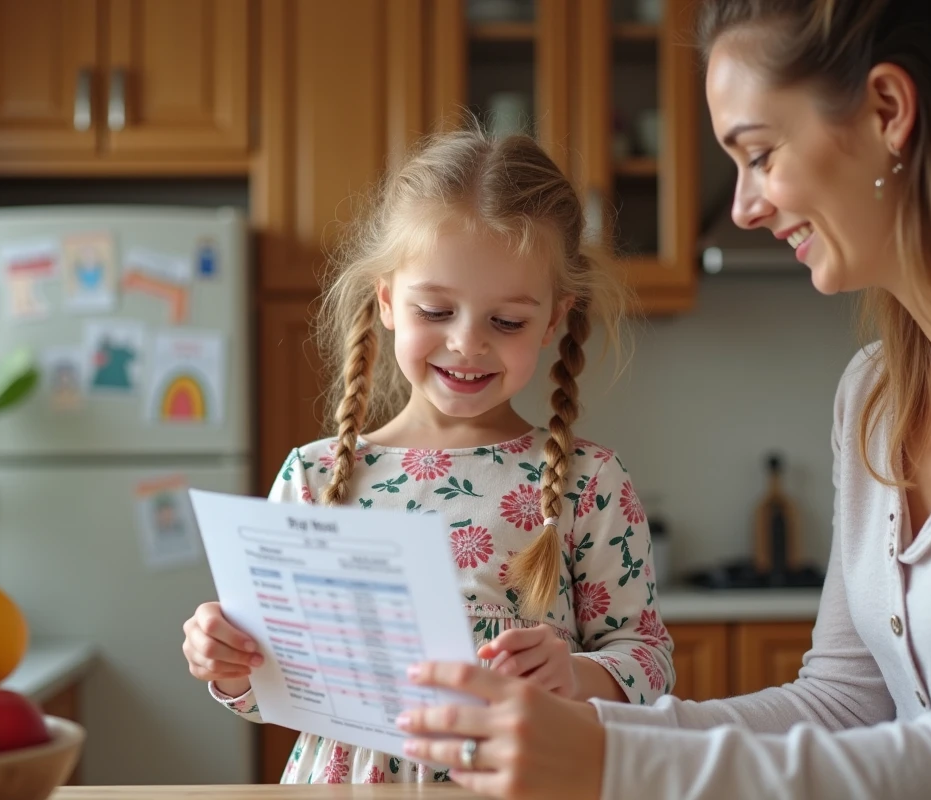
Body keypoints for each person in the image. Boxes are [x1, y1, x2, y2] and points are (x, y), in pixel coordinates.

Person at [394, 0, 931, 797]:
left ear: (888, 111)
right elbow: (843, 703)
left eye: (759, 154)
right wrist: (582, 731)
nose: (743, 207)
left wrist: (605, 760)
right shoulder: (875, 395)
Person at [181, 129, 676, 784]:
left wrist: (577, 674)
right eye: (437, 310)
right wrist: (228, 664)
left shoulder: (591, 483)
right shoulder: (315, 476)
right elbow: (271, 690)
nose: (467, 343)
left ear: (554, 321)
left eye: (507, 321)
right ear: (388, 300)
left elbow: (650, 661)